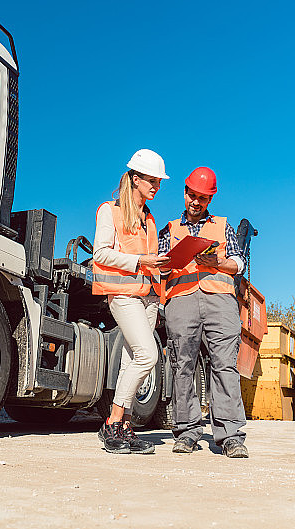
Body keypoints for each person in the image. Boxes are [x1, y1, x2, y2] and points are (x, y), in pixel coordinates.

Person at [158, 166, 249, 458]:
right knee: (182, 366)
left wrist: (215, 264)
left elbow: (238, 263)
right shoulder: (169, 230)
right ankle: (187, 432)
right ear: (184, 193)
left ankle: (231, 436)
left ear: (210, 199)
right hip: (181, 302)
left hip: (219, 302)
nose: (195, 202)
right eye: (191, 195)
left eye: (202, 198)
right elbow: (158, 265)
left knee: (224, 366)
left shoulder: (224, 227)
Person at [92, 148, 170, 454]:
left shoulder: (149, 219)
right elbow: (100, 253)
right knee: (148, 356)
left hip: (149, 299)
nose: (157, 186)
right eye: (151, 180)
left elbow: (148, 261)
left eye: (159, 181)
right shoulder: (109, 211)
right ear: (135, 179)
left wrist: (160, 265)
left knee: (130, 363)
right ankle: (112, 422)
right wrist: (140, 260)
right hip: (123, 296)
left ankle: (123, 426)